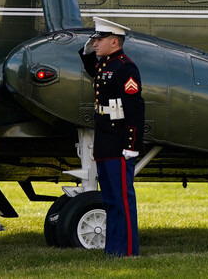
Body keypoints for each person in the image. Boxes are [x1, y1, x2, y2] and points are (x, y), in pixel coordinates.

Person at [78, 16, 144, 257]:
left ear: (114, 41)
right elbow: (94, 72)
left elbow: (135, 108)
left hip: (119, 142)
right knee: (110, 200)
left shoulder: (125, 67)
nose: (95, 43)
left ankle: (127, 250)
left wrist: (132, 144)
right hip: (105, 140)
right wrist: (86, 53)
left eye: (99, 39)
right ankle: (113, 249)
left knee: (122, 200)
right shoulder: (106, 65)